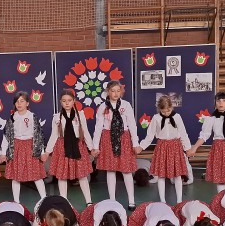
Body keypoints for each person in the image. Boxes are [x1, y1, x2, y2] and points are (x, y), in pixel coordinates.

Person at [92, 80, 140, 210]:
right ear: (108, 92)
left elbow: (132, 124)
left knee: (126, 170)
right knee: (110, 169)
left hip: (124, 137)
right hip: (108, 138)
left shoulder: (126, 105)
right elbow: (98, 127)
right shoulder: (103, 107)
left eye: (118, 91)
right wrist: (95, 146)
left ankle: (131, 200)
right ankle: (112, 200)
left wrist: (135, 143)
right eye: (113, 91)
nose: (115, 93)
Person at [136, 95, 192, 204]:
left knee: (177, 174)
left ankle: (179, 200)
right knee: (161, 175)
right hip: (162, 147)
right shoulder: (156, 118)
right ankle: (162, 200)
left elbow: (183, 133)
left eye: (168, 110)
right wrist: (141, 146)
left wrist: (188, 148)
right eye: (163, 111)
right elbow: (150, 135)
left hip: (175, 146)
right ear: (159, 109)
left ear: (172, 107)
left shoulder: (177, 117)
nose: (166, 113)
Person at [188, 92, 225, 192]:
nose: (221, 103)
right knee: (220, 179)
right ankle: (222, 199)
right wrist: (194, 148)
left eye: (224, 101)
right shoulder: (211, 119)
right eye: (218, 101)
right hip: (219, 150)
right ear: (215, 103)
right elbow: (204, 135)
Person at [46, 89, 94, 205]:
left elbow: (85, 132)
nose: (67, 103)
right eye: (64, 101)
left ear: (74, 101)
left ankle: (89, 201)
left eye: (69, 100)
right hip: (62, 148)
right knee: (62, 176)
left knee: (82, 175)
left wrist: (91, 147)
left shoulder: (80, 115)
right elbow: (54, 135)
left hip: (77, 146)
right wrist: (47, 151)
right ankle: (64, 201)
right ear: (60, 102)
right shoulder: (57, 117)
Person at [1, 92, 48, 202]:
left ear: (27, 103)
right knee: (16, 176)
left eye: (22, 101)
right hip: (16, 148)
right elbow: (6, 136)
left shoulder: (32, 117)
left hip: (31, 148)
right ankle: (16, 201)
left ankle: (44, 199)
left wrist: (42, 152)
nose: (19, 104)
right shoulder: (12, 118)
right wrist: (3, 153)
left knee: (36, 175)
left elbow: (39, 135)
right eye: (17, 101)